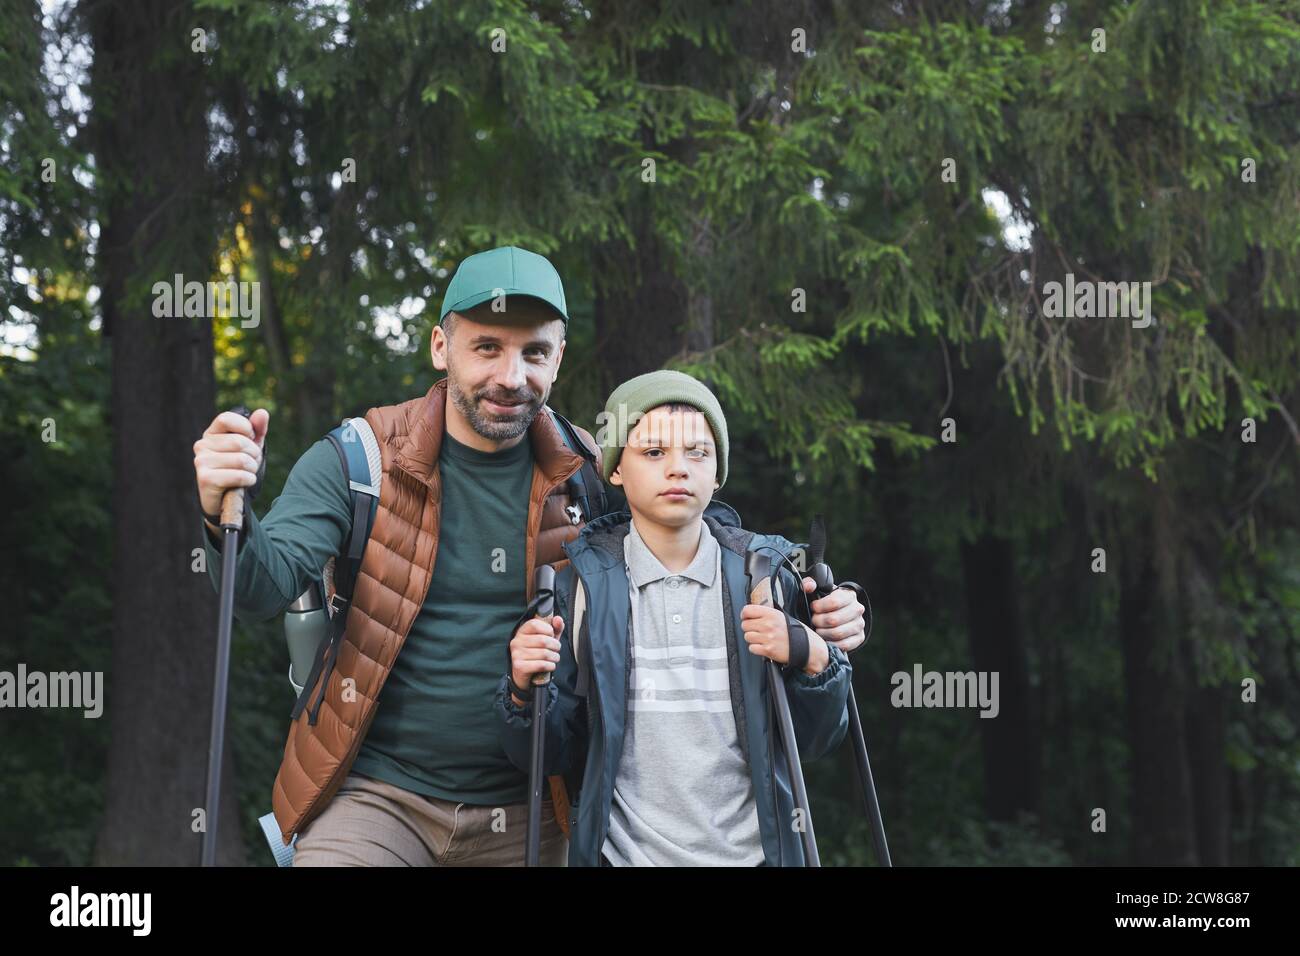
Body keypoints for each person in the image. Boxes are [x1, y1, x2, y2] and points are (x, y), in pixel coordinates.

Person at [193, 246, 597, 865]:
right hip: (376, 797)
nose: (512, 376)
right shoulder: (359, 460)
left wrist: (790, 619)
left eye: (534, 352)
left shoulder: (592, 477)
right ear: (441, 347)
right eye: (487, 347)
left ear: (558, 357)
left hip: (532, 807)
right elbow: (258, 592)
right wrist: (226, 509)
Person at [496, 370, 864, 866]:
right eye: (653, 453)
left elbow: (817, 741)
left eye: (698, 452)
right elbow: (549, 754)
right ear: (616, 470)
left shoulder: (766, 582)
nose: (678, 469)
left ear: (717, 473)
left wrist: (814, 654)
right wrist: (523, 688)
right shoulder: (579, 590)